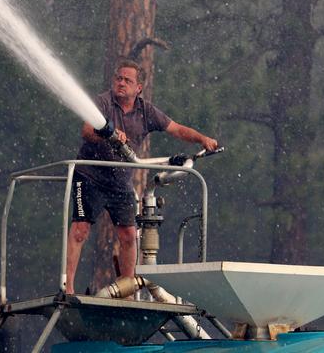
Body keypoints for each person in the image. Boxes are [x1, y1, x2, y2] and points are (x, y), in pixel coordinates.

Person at [64, 60, 218, 294]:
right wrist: (109, 135)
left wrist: (202, 139)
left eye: (127, 80)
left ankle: (127, 289)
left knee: (128, 235)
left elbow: (176, 129)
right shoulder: (103, 102)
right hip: (90, 176)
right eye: (118, 78)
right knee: (80, 230)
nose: (121, 83)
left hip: (120, 181)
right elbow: (86, 131)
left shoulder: (147, 111)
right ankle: (68, 289)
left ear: (139, 88)